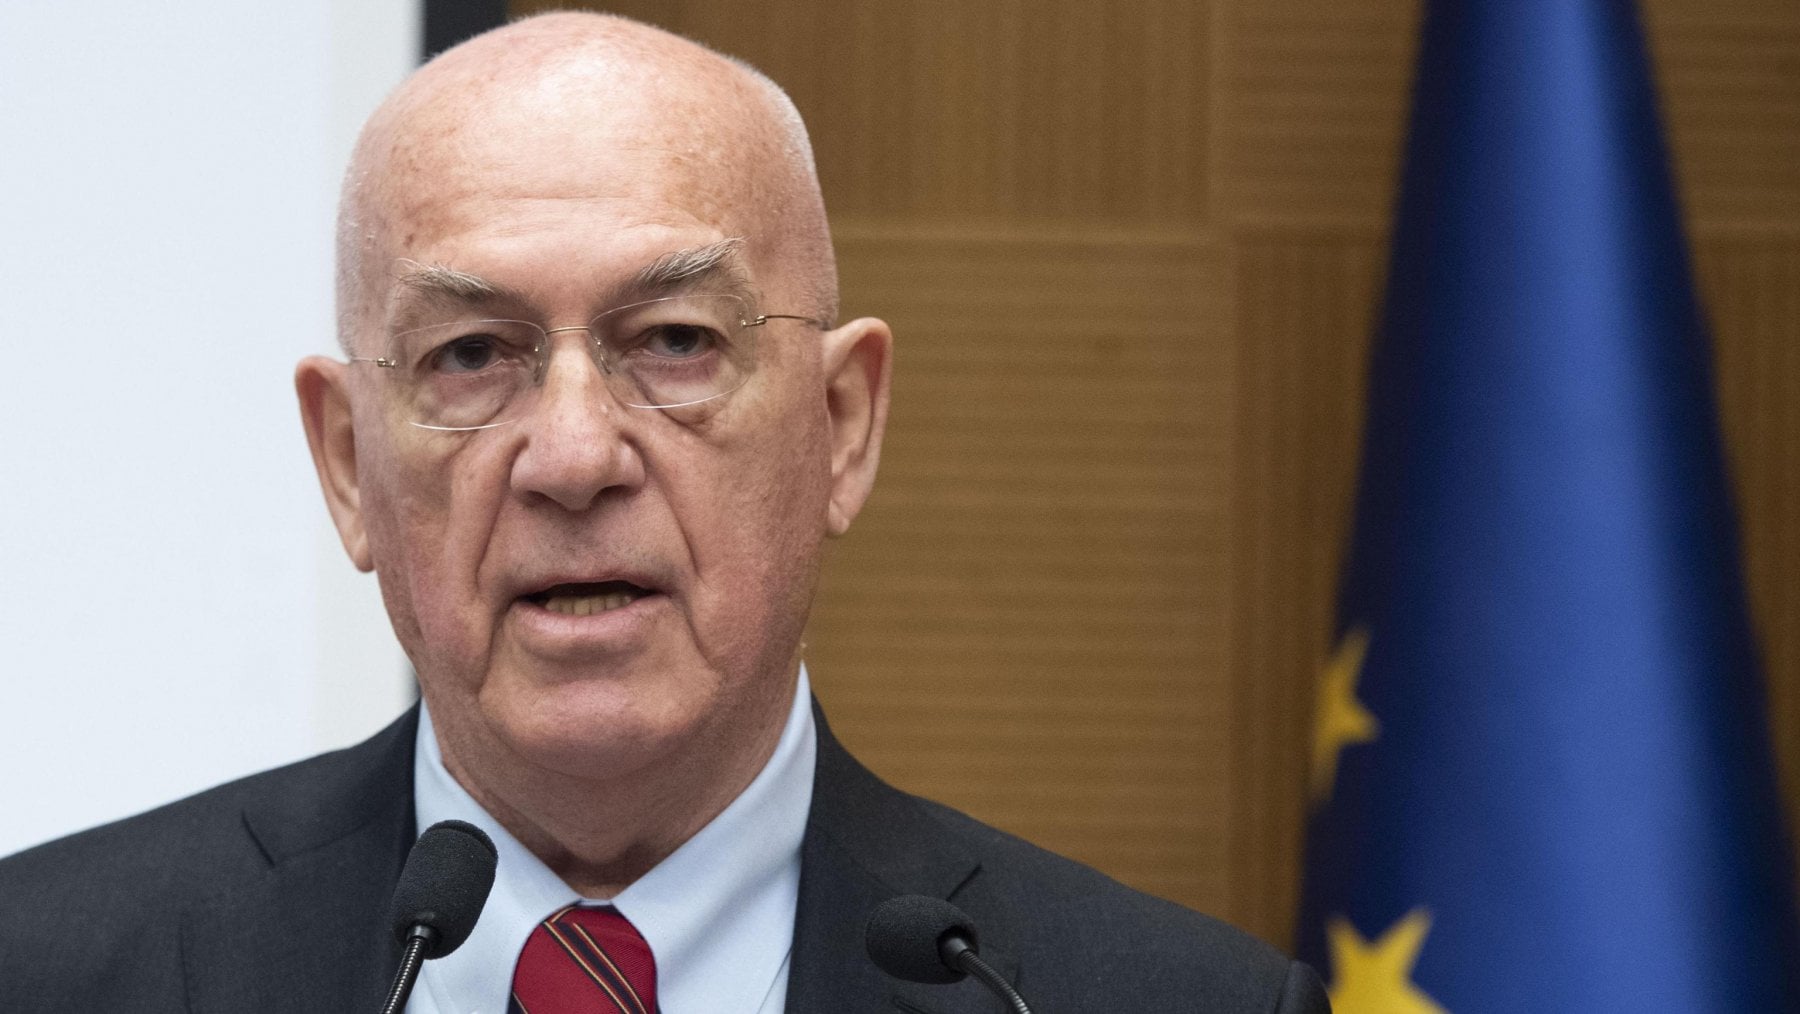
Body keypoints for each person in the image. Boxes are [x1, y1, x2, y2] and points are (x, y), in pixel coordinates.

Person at [0, 12, 1328, 1012]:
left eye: (677, 341)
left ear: (841, 425)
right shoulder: (48, 970)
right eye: (472, 354)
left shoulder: (1155, 999)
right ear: (349, 465)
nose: (574, 457)